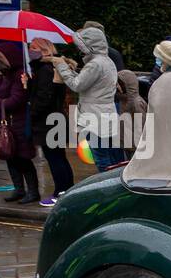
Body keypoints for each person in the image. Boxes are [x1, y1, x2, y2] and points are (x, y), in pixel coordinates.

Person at [51, 25, 121, 171]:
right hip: (106, 114)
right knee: (113, 159)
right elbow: (87, 83)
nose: (79, 50)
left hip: (95, 117)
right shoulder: (107, 61)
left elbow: (76, 85)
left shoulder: (95, 64)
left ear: (89, 46)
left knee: (102, 160)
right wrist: (71, 71)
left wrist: (62, 67)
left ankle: (107, 190)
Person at [0, 41, 38, 203]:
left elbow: (14, 101)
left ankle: (33, 191)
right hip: (5, 123)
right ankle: (19, 189)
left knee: (23, 157)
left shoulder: (20, 75)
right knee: (9, 155)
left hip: (19, 122)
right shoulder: (3, 74)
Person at [27, 37, 72, 207]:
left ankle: (60, 191)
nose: (30, 50)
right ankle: (66, 189)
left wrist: (32, 111)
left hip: (48, 121)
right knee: (60, 157)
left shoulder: (45, 69)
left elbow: (44, 96)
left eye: (33, 47)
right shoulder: (52, 67)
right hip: (56, 118)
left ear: (44, 49)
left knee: (55, 158)